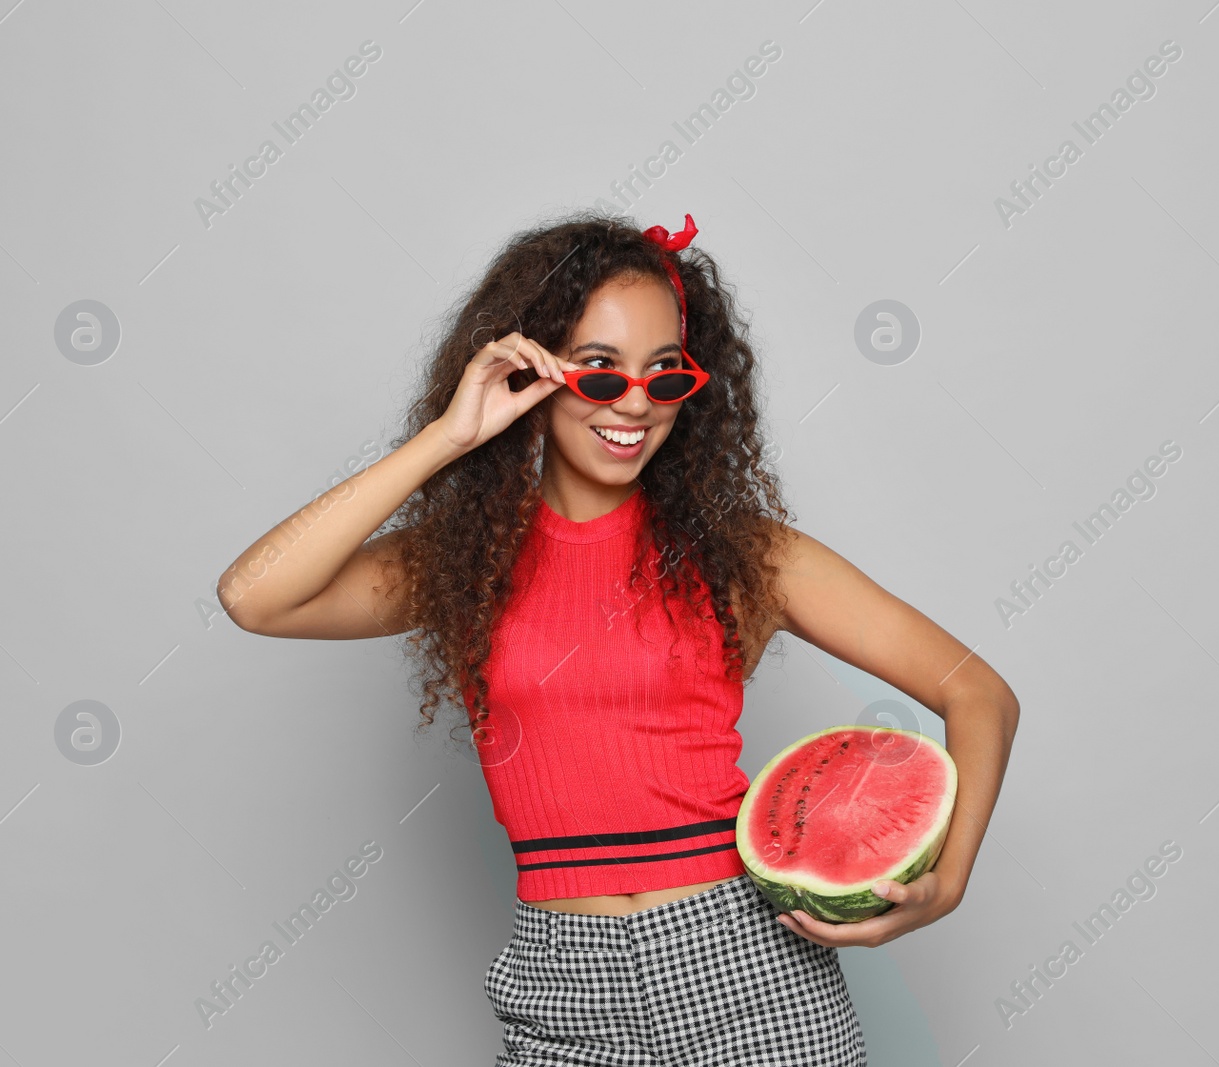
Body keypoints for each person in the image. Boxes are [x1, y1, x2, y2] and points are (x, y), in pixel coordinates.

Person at [216, 209, 1020, 1065]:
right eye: (599, 373)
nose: (635, 403)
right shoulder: (463, 561)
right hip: (559, 984)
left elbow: (978, 692)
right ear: (535, 370)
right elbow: (254, 597)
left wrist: (949, 881)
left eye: (663, 376)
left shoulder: (744, 552)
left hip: (749, 974)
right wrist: (448, 437)